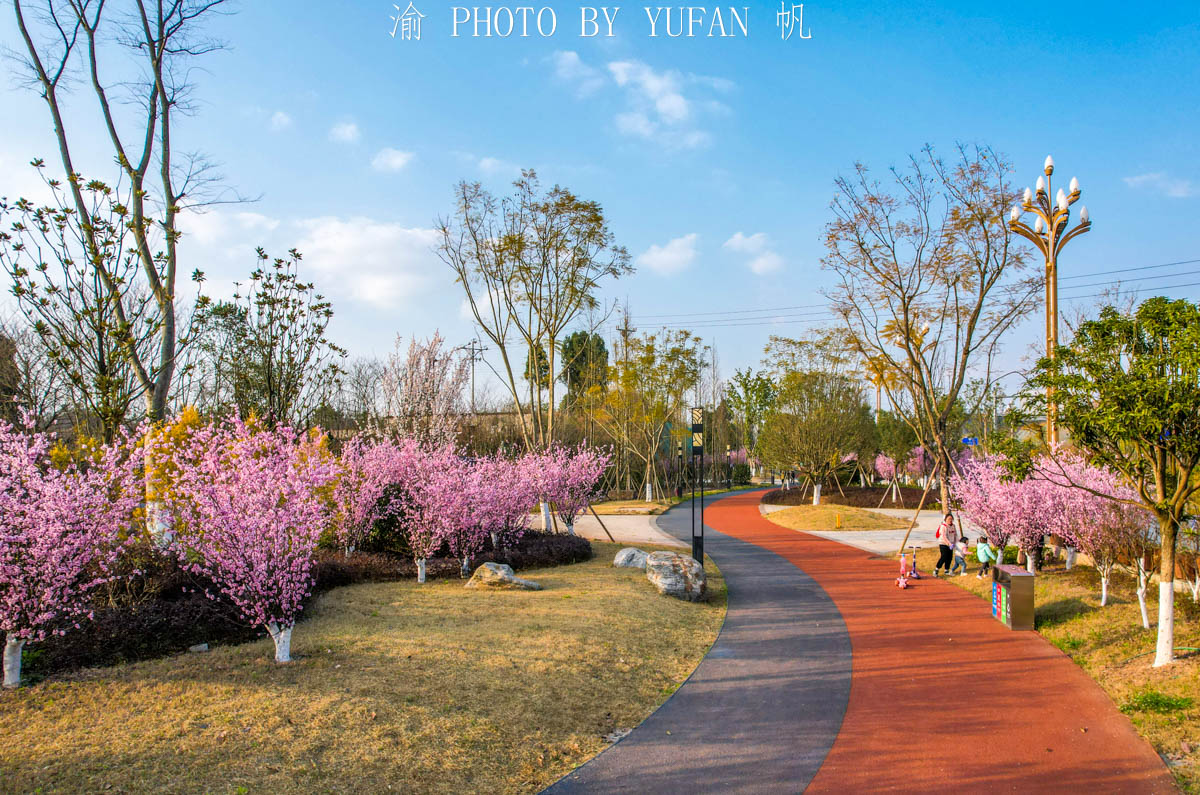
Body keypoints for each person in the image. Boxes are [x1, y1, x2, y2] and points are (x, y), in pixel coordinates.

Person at [934, 512, 957, 576]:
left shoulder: (953, 526)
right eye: (949, 519)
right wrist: (949, 544)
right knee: (944, 557)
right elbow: (943, 536)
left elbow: (955, 535)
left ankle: (946, 570)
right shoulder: (943, 526)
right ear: (945, 519)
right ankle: (936, 569)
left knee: (949, 557)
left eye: (951, 519)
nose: (950, 520)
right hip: (943, 543)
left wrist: (955, 543)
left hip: (951, 544)